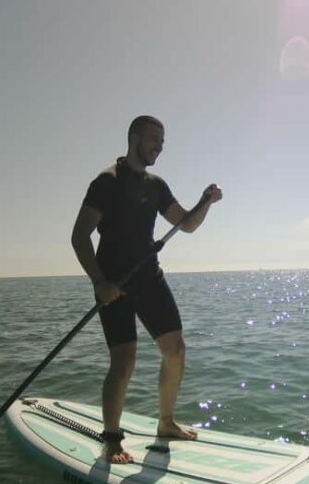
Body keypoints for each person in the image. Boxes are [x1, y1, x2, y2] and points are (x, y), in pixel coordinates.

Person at [71, 115, 222, 463]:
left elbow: (186, 225)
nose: (160, 146)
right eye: (154, 139)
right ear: (134, 137)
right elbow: (80, 236)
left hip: (149, 279)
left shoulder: (156, 185)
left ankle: (165, 422)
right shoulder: (106, 182)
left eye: (163, 141)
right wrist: (99, 282)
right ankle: (111, 440)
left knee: (176, 350)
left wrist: (204, 203)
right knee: (123, 362)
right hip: (115, 285)